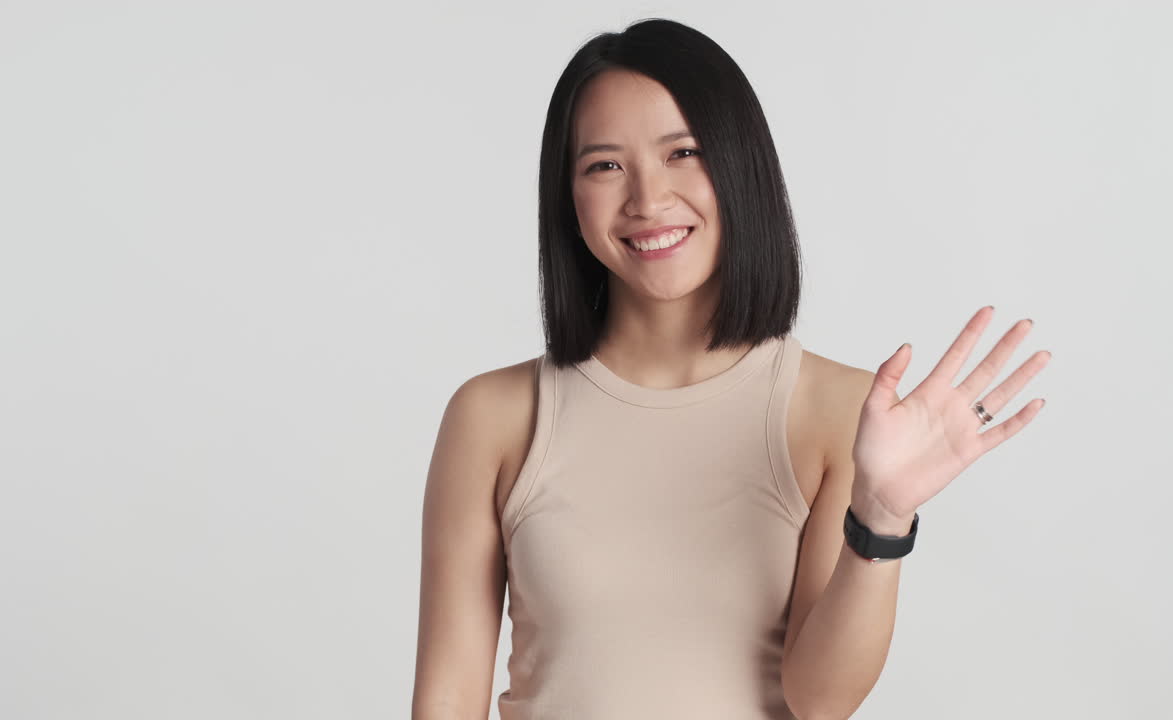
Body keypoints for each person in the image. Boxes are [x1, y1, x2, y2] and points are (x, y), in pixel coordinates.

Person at [412, 17, 1049, 720]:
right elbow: (445, 700)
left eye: (682, 152)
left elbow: (819, 700)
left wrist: (883, 517)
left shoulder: (838, 410)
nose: (648, 199)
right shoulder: (494, 416)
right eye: (604, 165)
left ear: (742, 165)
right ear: (569, 197)